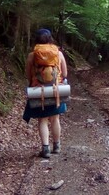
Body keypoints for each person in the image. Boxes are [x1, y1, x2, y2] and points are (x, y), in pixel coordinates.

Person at [23, 28, 68, 158]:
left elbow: (28, 74)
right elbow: (64, 73)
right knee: (55, 118)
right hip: (56, 90)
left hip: (38, 91)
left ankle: (45, 149)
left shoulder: (32, 55)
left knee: (42, 120)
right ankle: (57, 146)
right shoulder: (58, 53)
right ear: (50, 39)